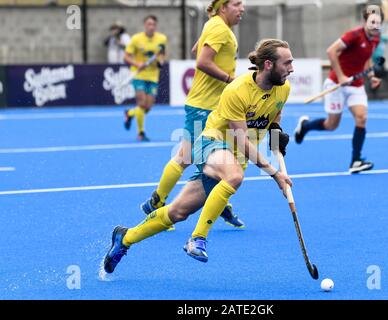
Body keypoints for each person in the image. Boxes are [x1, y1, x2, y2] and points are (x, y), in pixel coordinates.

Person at [102, 39, 293, 273]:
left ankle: (125, 238)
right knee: (233, 176)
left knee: (177, 212)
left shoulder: (284, 88)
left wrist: (277, 142)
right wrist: (275, 174)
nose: (291, 68)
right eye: (287, 63)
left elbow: (274, 120)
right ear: (268, 65)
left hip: (233, 158)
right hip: (212, 142)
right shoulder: (237, 90)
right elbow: (243, 142)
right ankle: (197, 238)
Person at [140, 0, 246, 229]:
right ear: (223, 7)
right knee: (189, 157)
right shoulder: (218, 27)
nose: (242, 8)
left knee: (214, 158)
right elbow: (202, 60)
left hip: (212, 106)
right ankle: (158, 204)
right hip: (205, 107)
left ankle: (164, 201)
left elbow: (196, 48)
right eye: (237, 4)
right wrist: (231, 80)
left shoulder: (215, 24)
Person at [294, 4, 383, 173]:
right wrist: (341, 76)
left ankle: (356, 160)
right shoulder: (354, 35)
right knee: (331, 125)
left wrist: (371, 77)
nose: (375, 26)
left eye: (378, 22)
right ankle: (305, 126)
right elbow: (331, 51)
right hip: (336, 84)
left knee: (361, 118)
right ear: (365, 21)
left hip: (356, 86)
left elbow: (366, 58)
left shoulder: (375, 39)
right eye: (372, 22)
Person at [123, 15, 168, 141]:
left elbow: (162, 54)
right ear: (144, 25)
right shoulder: (136, 39)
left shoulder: (162, 39)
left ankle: (130, 113)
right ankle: (141, 133)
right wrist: (137, 64)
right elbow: (126, 57)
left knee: (147, 107)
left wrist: (161, 62)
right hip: (139, 74)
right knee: (141, 103)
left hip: (153, 76)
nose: (151, 27)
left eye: (153, 24)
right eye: (149, 24)